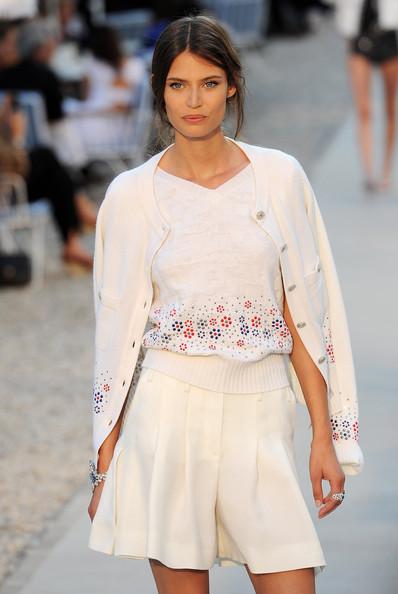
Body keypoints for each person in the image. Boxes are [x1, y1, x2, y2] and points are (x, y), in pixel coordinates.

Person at [87, 14, 364, 594]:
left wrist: (325, 436)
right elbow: (114, 337)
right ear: (160, 89)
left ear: (233, 85)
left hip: (260, 413)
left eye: (209, 83)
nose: (194, 101)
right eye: (178, 84)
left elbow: (303, 316)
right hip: (166, 415)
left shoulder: (279, 178)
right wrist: (104, 462)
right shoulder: (131, 196)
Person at [0, 93, 95, 271]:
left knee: (55, 179)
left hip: (10, 187)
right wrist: (17, 135)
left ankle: (72, 240)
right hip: (7, 190)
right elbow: (13, 165)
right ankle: (78, 211)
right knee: (46, 158)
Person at [331, 0, 398, 191]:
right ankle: (368, 173)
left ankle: (386, 170)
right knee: (364, 110)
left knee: (390, 109)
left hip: (389, 36)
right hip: (358, 35)